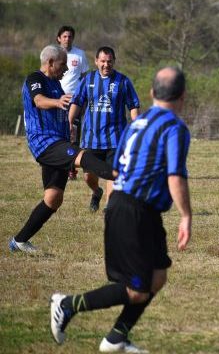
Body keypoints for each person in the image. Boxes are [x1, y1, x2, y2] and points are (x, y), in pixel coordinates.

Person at [50, 66, 192, 353]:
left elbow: (115, 171)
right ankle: (66, 305)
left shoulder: (135, 125)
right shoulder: (175, 127)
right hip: (133, 211)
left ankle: (116, 337)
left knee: (157, 277)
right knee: (136, 290)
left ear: (152, 94)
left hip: (136, 209)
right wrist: (186, 216)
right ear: (183, 97)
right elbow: (175, 175)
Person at [8, 45, 116, 254]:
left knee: (54, 198)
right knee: (85, 157)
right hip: (44, 142)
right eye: (62, 64)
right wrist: (57, 102)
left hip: (59, 142)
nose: (66, 69)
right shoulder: (35, 78)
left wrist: (70, 139)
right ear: (50, 63)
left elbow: (61, 117)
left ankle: (19, 241)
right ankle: (119, 175)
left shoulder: (57, 84)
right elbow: (39, 101)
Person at [69, 46, 140, 212]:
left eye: (109, 61)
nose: (106, 64)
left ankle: (110, 205)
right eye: (103, 61)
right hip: (91, 138)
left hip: (116, 138)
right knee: (88, 176)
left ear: (114, 62)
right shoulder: (87, 80)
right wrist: (70, 122)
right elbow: (77, 102)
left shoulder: (123, 81)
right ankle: (96, 191)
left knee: (112, 173)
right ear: (96, 61)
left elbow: (133, 106)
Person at [56, 26, 89, 180]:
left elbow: (84, 78)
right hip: (55, 99)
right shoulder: (53, 53)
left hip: (73, 100)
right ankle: (57, 165)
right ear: (59, 38)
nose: (67, 39)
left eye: (70, 36)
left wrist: (82, 99)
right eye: (64, 36)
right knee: (57, 132)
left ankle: (72, 169)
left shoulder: (80, 54)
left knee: (73, 133)